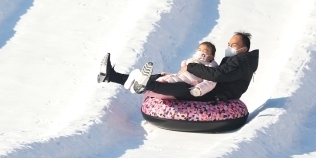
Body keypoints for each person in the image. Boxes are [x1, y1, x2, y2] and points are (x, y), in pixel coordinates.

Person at [98, 32, 259, 102]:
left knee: (181, 87)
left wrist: (191, 67)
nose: (229, 46)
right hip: (208, 90)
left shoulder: (240, 62)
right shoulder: (236, 60)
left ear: (243, 49)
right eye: (229, 44)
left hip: (212, 95)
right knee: (162, 77)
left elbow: (217, 75)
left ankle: (144, 85)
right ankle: (112, 75)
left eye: (233, 45)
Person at [148, 41, 219, 97]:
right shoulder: (192, 60)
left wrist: (199, 89)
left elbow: (210, 82)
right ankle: (145, 81)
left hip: (190, 82)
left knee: (171, 82)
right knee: (163, 76)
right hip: (181, 76)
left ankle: (149, 85)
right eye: (199, 50)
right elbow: (182, 73)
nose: (201, 52)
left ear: (211, 57)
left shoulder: (210, 67)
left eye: (205, 51)